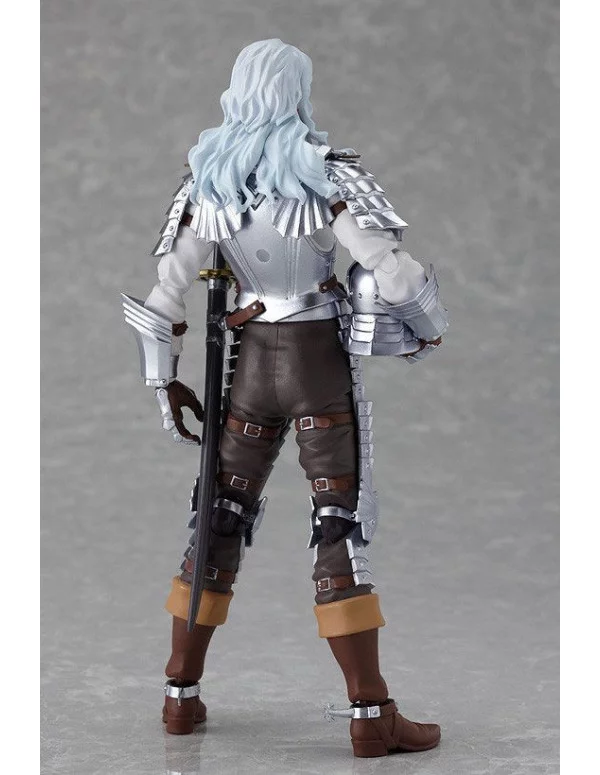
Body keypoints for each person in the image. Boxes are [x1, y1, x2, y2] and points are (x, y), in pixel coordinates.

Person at [122, 38, 447, 758]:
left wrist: (162, 380)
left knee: (218, 520)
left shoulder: (210, 178)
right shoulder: (324, 174)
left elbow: (164, 296)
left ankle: (179, 696)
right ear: (296, 92)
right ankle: (371, 713)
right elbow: (391, 272)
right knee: (338, 526)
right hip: (317, 367)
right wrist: (429, 329)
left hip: (248, 370)